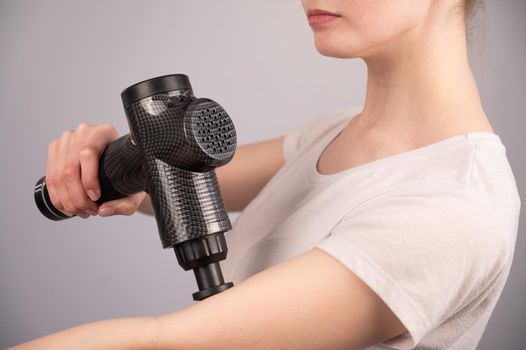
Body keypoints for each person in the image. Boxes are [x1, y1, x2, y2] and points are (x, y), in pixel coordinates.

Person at [12, 0, 521, 349]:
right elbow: (177, 176)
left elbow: (172, 341)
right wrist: (109, 170)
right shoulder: (336, 131)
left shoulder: (454, 206)